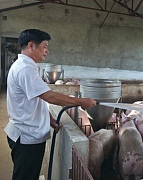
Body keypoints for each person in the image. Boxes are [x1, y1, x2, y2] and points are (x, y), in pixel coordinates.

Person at [4, 29, 96, 180]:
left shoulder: (27, 66)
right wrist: (81, 101)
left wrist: (48, 119)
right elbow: (49, 96)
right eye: (45, 46)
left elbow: (34, 98)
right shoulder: (25, 69)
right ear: (31, 45)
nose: (47, 51)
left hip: (26, 133)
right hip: (26, 137)